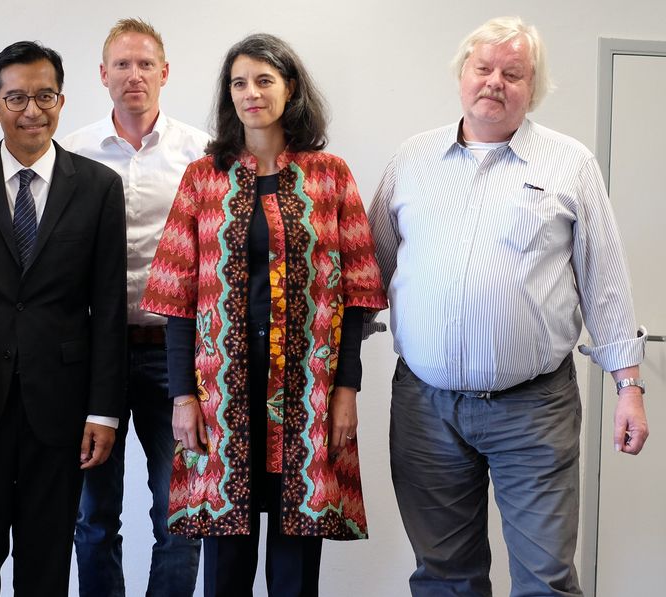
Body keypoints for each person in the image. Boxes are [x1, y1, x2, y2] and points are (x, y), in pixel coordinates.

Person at [367, 16, 651, 596]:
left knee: (545, 579)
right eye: (484, 69)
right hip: (426, 409)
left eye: (513, 73)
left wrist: (629, 387)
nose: (495, 82)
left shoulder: (569, 163)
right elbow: (371, 269)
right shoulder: (412, 161)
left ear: (532, 87)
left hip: (533, 411)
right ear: (463, 76)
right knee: (445, 577)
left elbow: (605, 280)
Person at [141, 33, 387, 596]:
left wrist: (346, 390)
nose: (251, 93)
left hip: (309, 395)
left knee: (297, 556)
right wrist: (184, 398)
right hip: (223, 398)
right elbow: (177, 300)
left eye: (264, 80)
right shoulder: (204, 178)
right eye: (238, 83)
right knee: (224, 556)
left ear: (290, 88)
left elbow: (355, 296)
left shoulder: (330, 176)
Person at [0, 41, 127, 596]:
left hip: (60, 404)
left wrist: (104, 412)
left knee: (46, 563)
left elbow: (108, 306)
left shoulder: (98, 187)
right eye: (16, 98)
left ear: (61, 101)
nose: (32, 110)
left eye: (45, 96)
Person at [60, 18, 207, 597]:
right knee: (93, 517)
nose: (134, 75)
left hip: (176, 357)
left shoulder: (200, 154)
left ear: (165, 73)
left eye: (146, 64)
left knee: (181, 515)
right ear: (103, 75)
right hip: (97, 358)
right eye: (122, 64)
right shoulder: (71, 152)